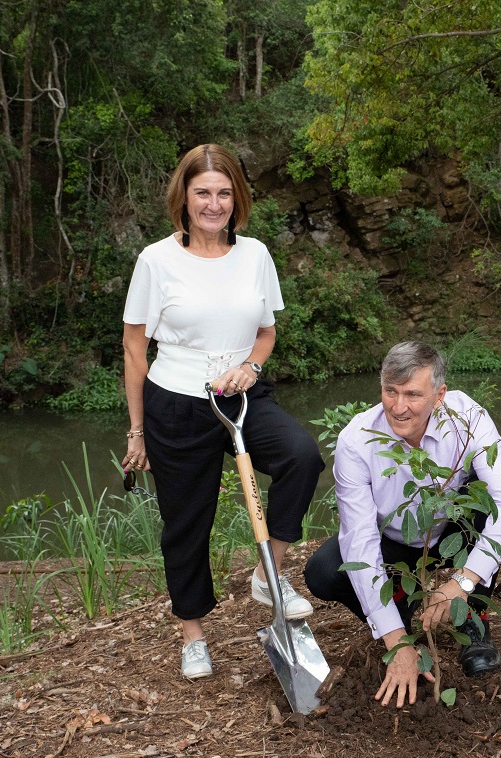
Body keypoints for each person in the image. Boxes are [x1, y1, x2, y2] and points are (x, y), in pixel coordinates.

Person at [122, 143, 324, 680]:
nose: (214, 204)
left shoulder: (255, 254)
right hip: (177, 401)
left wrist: (252, 369)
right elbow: (135, 349)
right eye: (202, 193)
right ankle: (193, 634)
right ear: (183, 198)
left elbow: (266, 330)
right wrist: (137, 432)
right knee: (187, 521)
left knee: (302, 457)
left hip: (242, 392)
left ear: (238, 198)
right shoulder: (155, 260)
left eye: (224, 193)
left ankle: (269, 572)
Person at [304, 342, 501, 708]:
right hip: (392, 536)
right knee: (324, 571)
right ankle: (401, 616)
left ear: (439, 395)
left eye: (412, 394)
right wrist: (397, 642)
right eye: (390, 392)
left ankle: (472, 617)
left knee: (487, 509)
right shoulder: (357, 441)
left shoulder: (467, 418)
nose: (398, 406)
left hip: (455, 527)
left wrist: (462, 582)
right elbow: (360, 540)